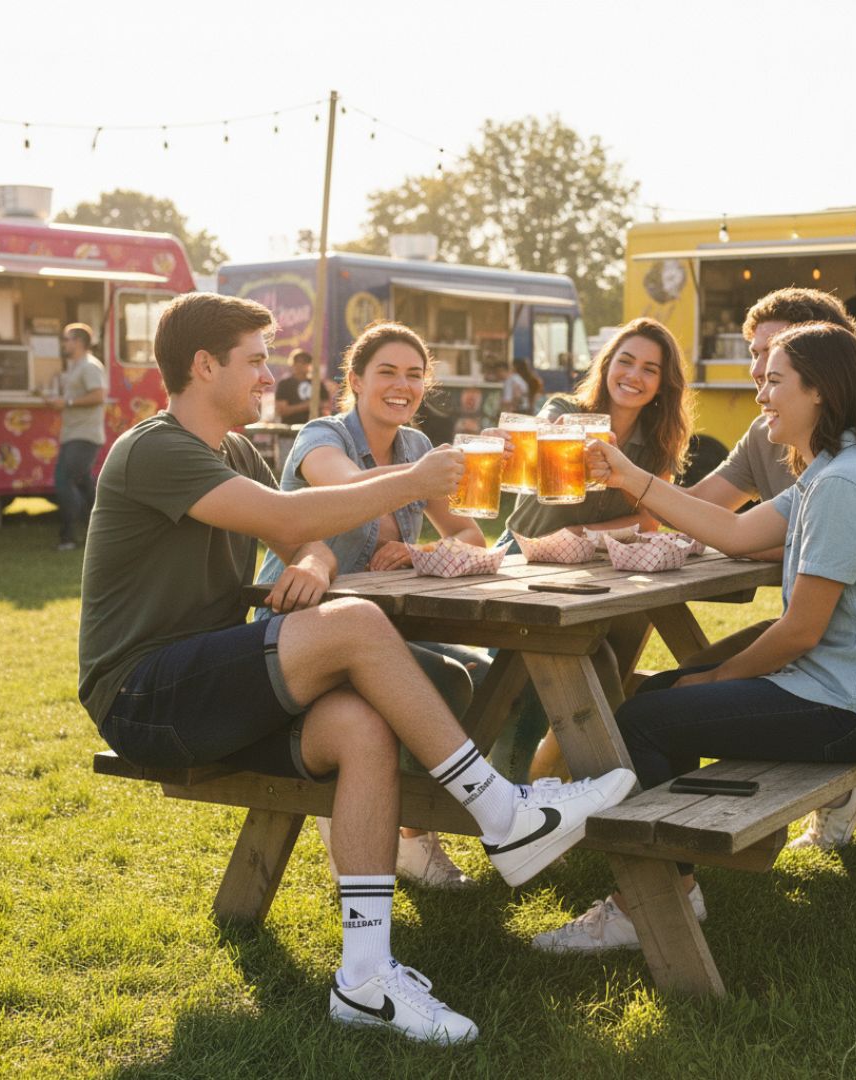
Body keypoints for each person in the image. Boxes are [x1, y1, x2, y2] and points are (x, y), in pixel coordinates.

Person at [77, 292, 634, 1044]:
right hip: (144, 694)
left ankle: (366, 977)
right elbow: (289, 516)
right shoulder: (154, 447)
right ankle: (501, 813)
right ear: (203, 366)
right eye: (255, 360)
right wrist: (406, 485)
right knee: (360, 625)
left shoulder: (233, 452)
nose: (268, 375)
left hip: (203, 689)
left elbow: (295, 528)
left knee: (361, 728)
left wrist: (308, 557)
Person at [535, 321, 856, 952]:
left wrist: (716, 677)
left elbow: (800, 629)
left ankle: (651, 903)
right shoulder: (835, 468)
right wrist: (630, 478)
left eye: (774, 382)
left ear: (820, 391)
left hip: (855, 707)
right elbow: (736, 532)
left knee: (645, 719)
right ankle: (672, 883)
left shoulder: (843, 483)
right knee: (658, 696)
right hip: (852, 692)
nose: (761, 396)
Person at [688, 288, 856, 850]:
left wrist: (754, 548)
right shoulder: (772, 428)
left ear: (820, 370)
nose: (760, 367)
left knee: (700, 690)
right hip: (836, 641)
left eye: (776, 352)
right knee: (688, 679)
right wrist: (618, 516)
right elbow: (708, 508)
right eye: (756, 350)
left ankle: (696, 841)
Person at [256, 321, 492, 890]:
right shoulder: (322, 437)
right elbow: (342, 491)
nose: (401, 384)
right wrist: (419, 480)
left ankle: (438, 829)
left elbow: (471, 536)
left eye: (415, 375)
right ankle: (405, 830)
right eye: (386, 371)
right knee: (444, 681)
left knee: (489, 675)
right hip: (296, 627)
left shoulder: (417, 450)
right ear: (356, 381)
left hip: (377, 630)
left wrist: (417, 552)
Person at [495, 317, 692, 782]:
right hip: (525, 558)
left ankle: (563, 779)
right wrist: (558, 435)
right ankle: (521, 787)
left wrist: (589, 534)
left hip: (595, 572)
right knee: (525, 676)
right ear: (606, 366)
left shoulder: (656, 443)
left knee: (606, 655)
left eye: (649, 369)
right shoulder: (564, 408)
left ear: (663, 384)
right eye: (625, 361)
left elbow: (647, 518)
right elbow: (545, 431)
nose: (633, 376)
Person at [46, 323, 107, 551]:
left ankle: (69, 537)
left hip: (85, 436)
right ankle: (98, 531)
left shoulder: (90, 367)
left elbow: (99, 395)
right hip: (75, 434)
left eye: (67, 339)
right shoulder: (77, 366)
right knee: (84, 484)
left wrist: (68, 402)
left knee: (64, 480)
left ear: (79, 342)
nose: (64, 343)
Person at [274, 349, 323, 425]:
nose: (301, 365)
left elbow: (325, 405)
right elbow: (281, 411)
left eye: (305, 362)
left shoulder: (317, 383)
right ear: (292, 363)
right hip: (289, 431)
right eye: (298, 361)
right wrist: (307, 405)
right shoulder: (284, 384)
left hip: (313, 429)